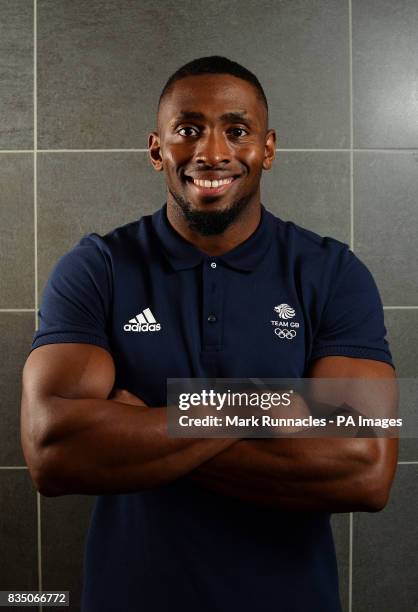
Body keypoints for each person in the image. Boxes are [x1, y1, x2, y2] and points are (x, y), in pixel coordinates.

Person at [21, 55, 398, 612]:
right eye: (189, 130)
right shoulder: (97, 266)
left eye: (237, 131)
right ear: (158, 150)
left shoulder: (333, 273)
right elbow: (53, 453)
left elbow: (366, 469)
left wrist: (142, 423)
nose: (212, 153)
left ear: (267, 148)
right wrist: (261, 404)